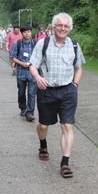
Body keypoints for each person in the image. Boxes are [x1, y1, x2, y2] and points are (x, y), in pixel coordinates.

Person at [29, 13, 85, 178]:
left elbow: (79, 67)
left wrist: (75, 84)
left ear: (70, 29)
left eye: (66, 26)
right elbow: (33, 65)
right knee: (44, 126)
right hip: (47, 90)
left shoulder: (74, 45)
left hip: (68, 91)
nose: (62, 28)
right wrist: (38, 78)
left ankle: (65, 163)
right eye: (59, 25)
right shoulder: (43, 43)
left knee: (67, 126)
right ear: (53, 27)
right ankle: (43, 145)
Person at [10, 24, 37, 121]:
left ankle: (30, 112)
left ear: (31, 32)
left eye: (29, 31)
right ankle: (23, 108)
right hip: (21, 73)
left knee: (31, 93)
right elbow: (12, 57)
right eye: (25, 32)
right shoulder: (18, 44)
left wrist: (32, 64)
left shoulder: (35, 43)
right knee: (21, 93)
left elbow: (39, 57)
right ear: (22, 33)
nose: (27, 34)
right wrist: (22, 63)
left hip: (32, 73)